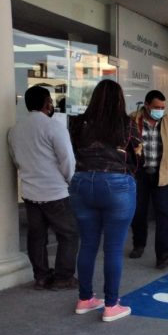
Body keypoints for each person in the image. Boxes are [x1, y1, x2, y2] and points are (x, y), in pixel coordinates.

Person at [69, 80, 141, 322]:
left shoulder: (78, 122)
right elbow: (137, 157)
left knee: (87, 244)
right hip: (116, 184)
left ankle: (85, 299)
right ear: (119, 99)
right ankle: (111, 305)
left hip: (81, 182)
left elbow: (74, 151)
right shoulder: (127, 124)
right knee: (113, 248)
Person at [8, 84, 79, 290]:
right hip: (55, 192)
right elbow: (67, 160)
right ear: (47, 103)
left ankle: (41, 276)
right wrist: (70, 181)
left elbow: (16, 159)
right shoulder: (54, 127)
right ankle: (63, 277)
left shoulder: (15, 130)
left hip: (30, 192)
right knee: (69, 234)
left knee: (37, 236)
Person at [128, 90, 168, 269]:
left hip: (162, 174)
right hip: (139, 173)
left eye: (162, 107)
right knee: (138, 211)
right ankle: (139, 244)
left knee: (163, 213)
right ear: (146, 105)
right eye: (156, 107)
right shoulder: (133, 120)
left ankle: (163, 255)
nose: (160, 110)